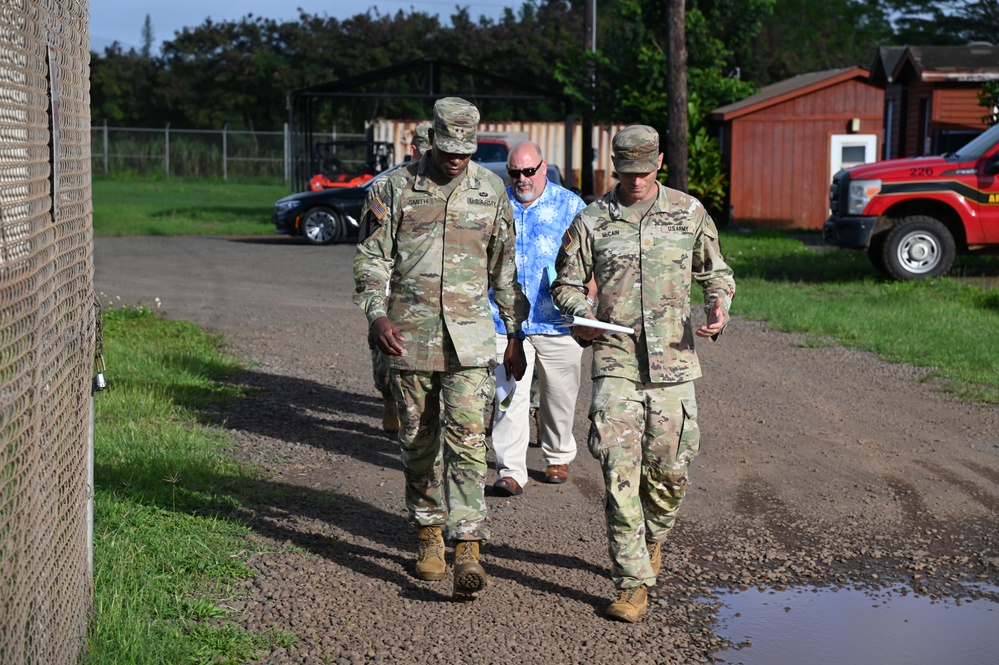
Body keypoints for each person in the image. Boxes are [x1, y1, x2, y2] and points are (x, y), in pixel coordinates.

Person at [551, 125, 736, 623]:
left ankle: (651, 540)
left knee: (670, 474)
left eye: (643, 171)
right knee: (618, 470)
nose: (635, 181)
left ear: (658, 165)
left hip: (674, 363)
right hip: (615, 361)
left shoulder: (689, 211)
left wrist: (719, 304)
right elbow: (565, 284)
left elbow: (715, 271)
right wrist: (580, 315)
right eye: (625, 172)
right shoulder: (591, 220)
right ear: (616, 168)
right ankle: (631, 581)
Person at [353, 97, 529, 601]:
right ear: (433, 137)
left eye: (465, 150)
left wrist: (515, 334)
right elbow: (371, 261)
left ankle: (468, 544)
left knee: (470, 441)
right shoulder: (392, 189)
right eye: (448, 148)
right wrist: (377, 313)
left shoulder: (490, 190)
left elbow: (504, 270)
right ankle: (429, 535)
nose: (456, 158)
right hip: (409, 338)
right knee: (418, 442)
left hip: (471, 341)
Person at [489, 141, 587, 496]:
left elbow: (591, 259)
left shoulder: (571, 206)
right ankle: (510, 470)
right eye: (514, 172)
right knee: (508, 395)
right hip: (505, 321)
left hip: (556, 321)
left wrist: (587, 302)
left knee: (558, 396)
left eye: (529, 171)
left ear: (543, 168)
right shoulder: (497, 205)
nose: (522, 179)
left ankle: (558, 454)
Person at [368, 121, 433, 433]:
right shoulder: (387, 188)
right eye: (428, 152)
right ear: (414, 150)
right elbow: (371, 246)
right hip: (394, 283)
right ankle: (389, 399)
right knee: (385, 351)